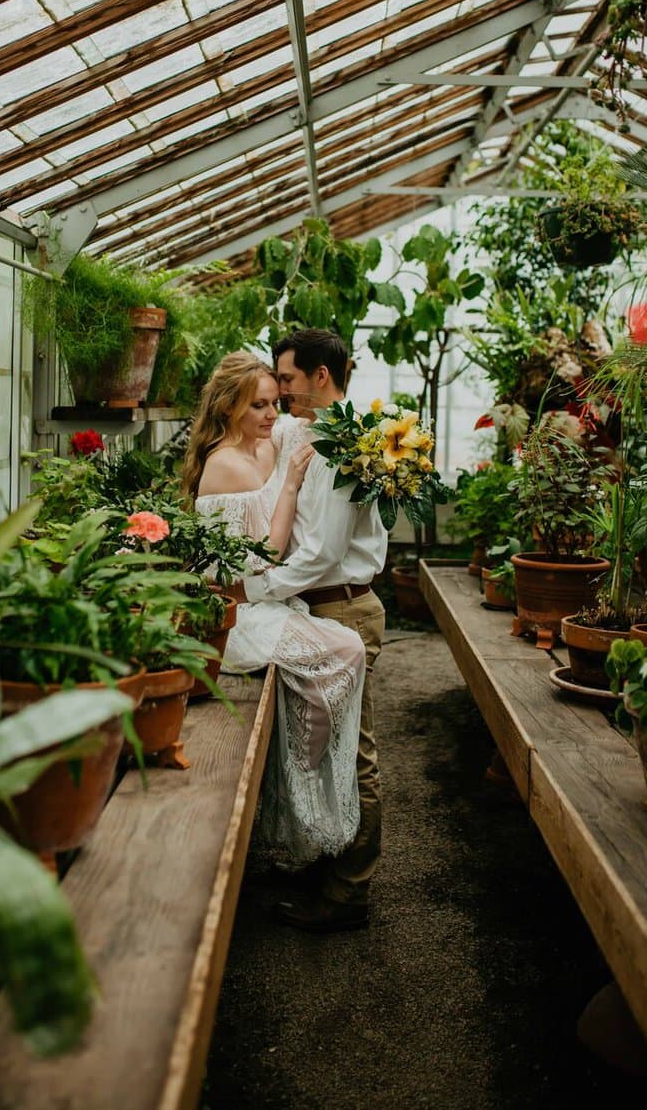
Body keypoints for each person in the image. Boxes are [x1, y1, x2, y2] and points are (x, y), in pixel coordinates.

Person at [182, 351, 366, 869]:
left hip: (270, 598)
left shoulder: (273, 438)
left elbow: (317, 420)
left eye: (272, 400)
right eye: (257, 405)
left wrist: (381, 445)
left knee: (342, 654)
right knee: (343, 650)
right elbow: (263, 552)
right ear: (228, 409)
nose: (271, 412)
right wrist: (287, 485)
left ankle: (300, 782)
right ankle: (302, 786)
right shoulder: (223, 465)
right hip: (237, 610)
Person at [239, 328, 388, 933]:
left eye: (290, 381)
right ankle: (320, 859)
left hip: (340, 605)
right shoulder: (314, 434)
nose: (281, 392)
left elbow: (322, 554)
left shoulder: (342, 448)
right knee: (315, 745)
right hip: (319, 604)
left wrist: (254, 588)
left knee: (352, 753)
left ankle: (349, 892)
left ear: (321, 377)